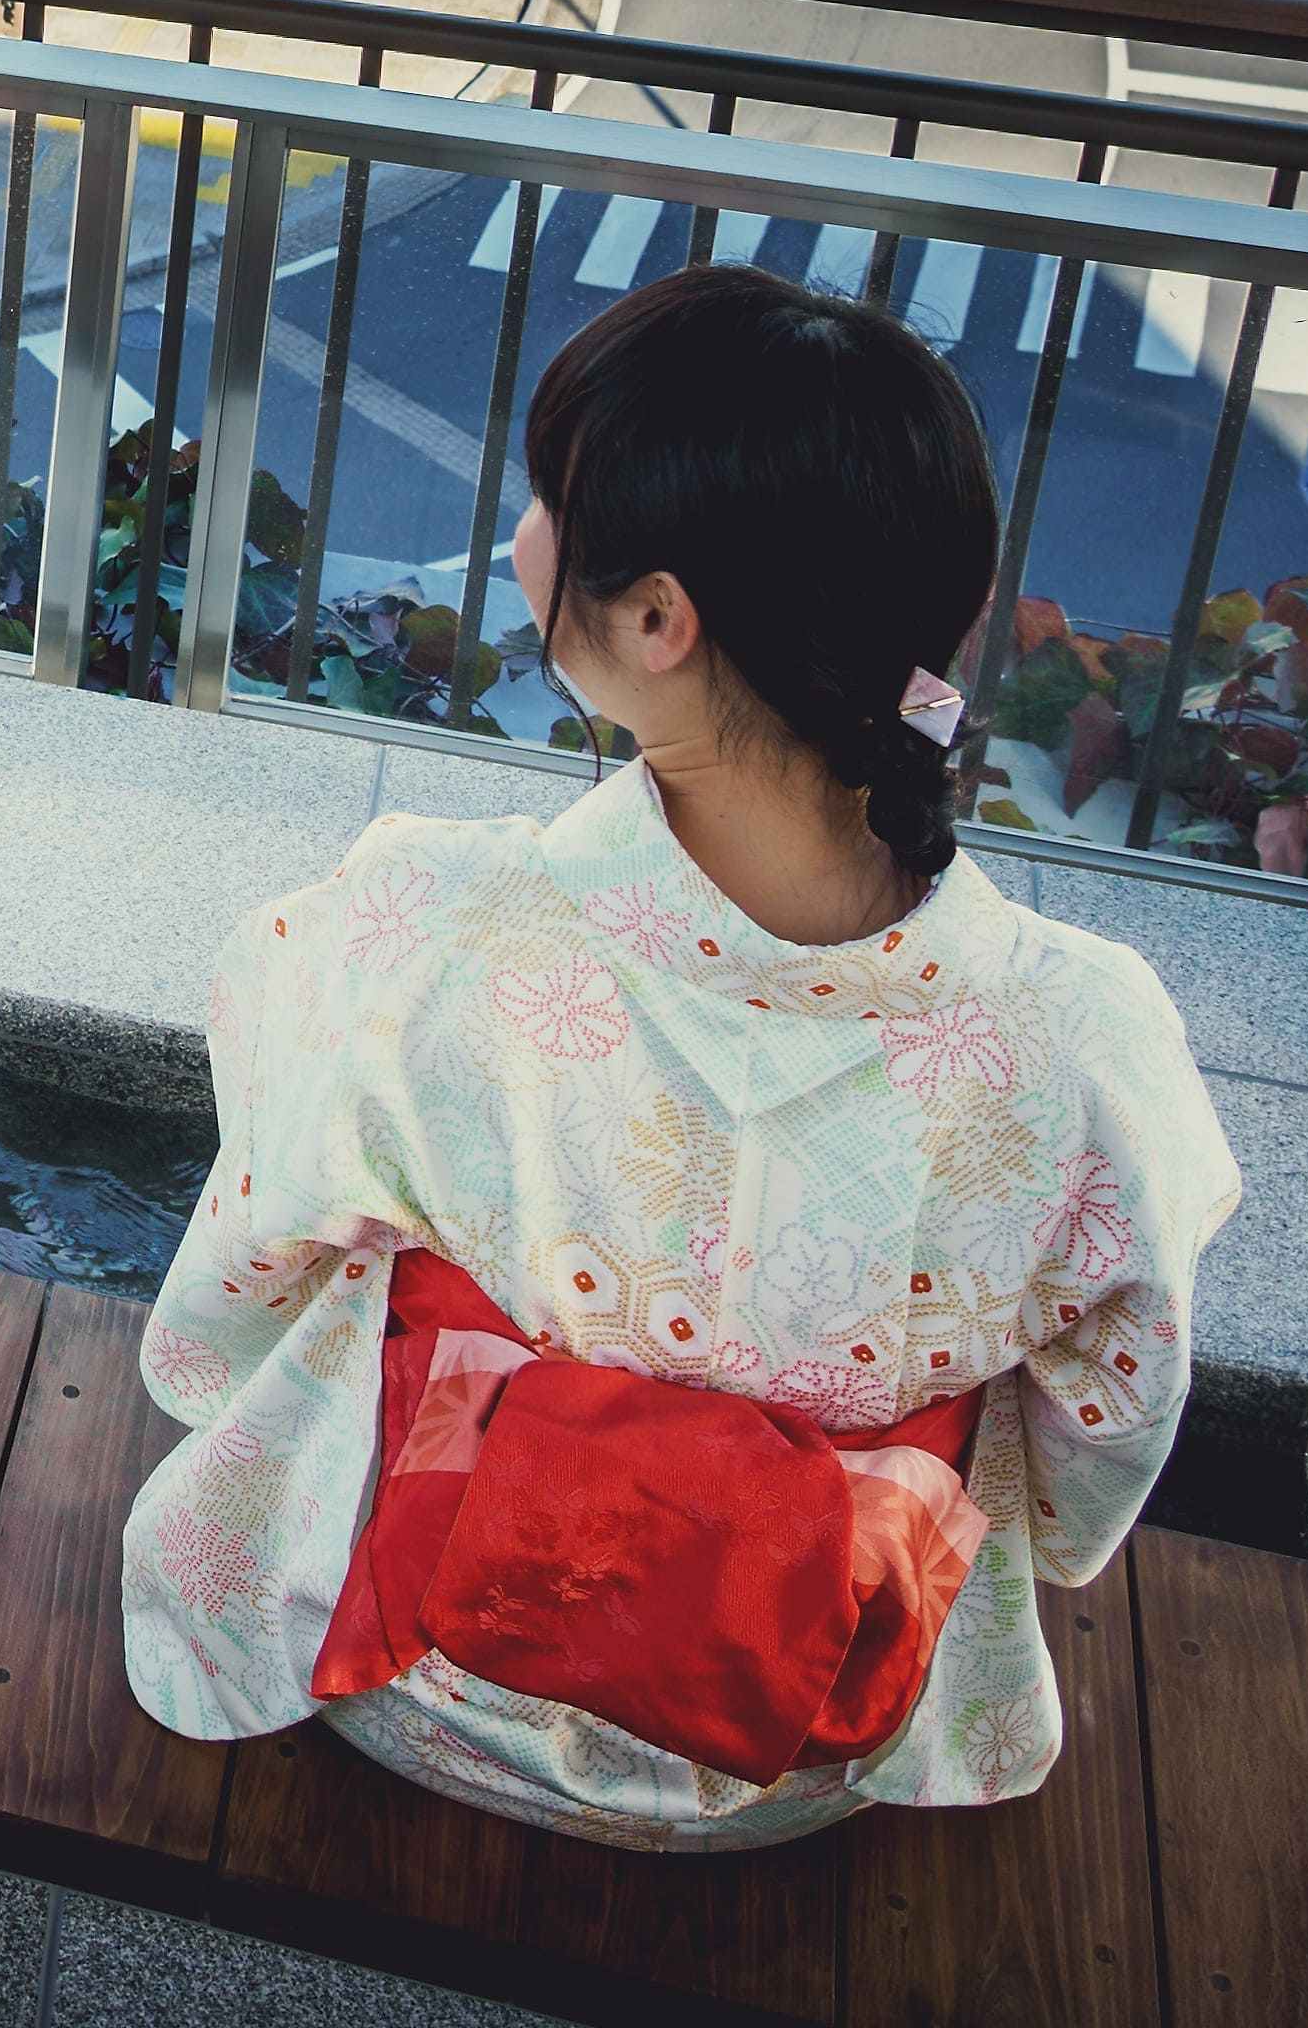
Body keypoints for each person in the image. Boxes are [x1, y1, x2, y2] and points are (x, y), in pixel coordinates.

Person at [120, 265, 1238, 1850]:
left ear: (655, 621)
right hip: (806, 1742)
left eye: (546, 504)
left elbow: (248, 1273)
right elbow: (1100, 1442)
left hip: (423, 1664)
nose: (523, 535)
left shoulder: (420, 924)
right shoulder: (1084, 1040)